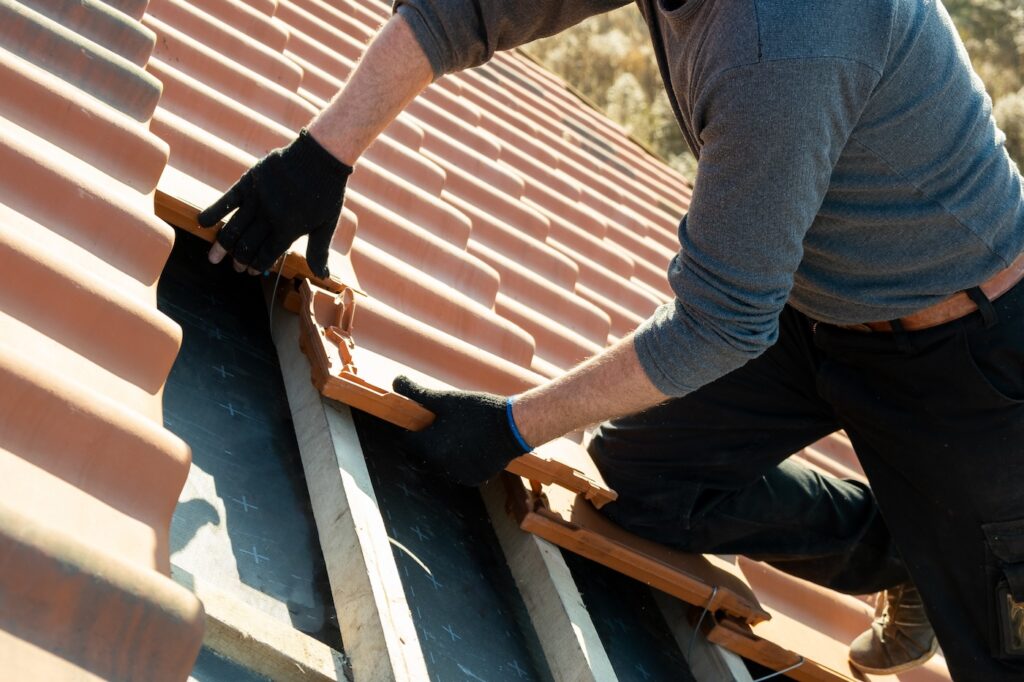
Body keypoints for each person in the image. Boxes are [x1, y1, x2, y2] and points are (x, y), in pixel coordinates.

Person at [197, 0, 1024, 678]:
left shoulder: (787, 41)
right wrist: (322, 155)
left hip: (966, 358)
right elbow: (470, 11)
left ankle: (946, 544)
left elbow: (720, 321)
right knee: (639, 485)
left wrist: (511, 425)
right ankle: (900, 547)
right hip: (814, 300)